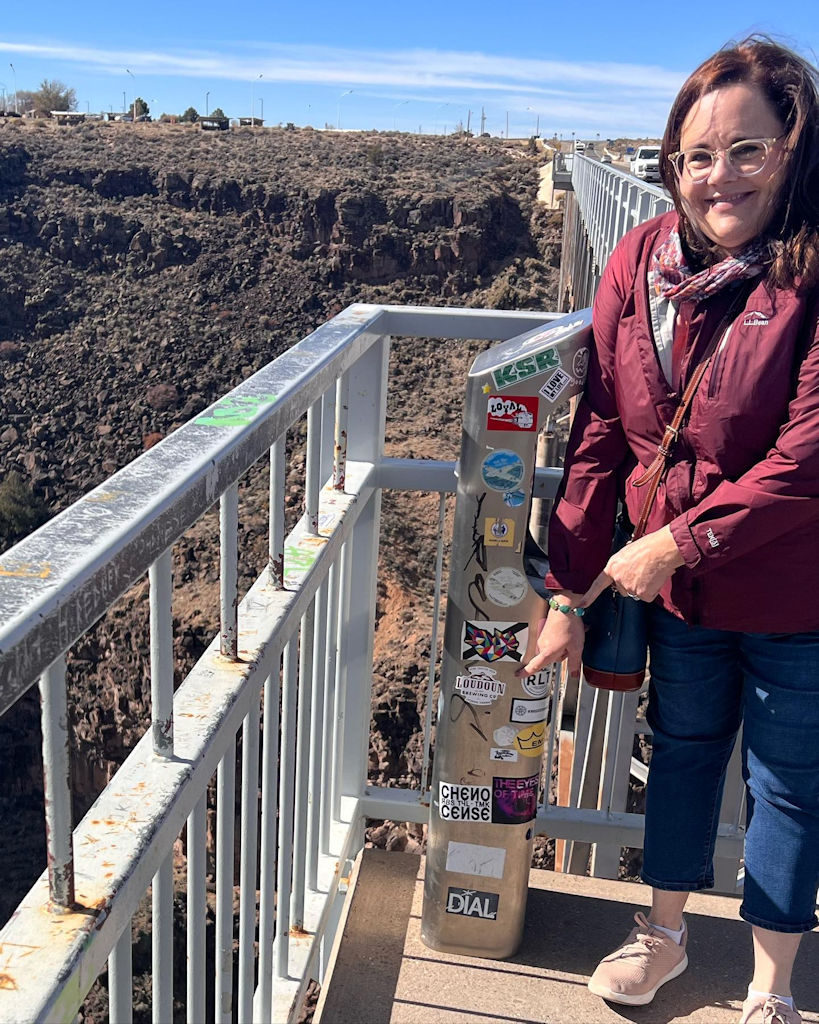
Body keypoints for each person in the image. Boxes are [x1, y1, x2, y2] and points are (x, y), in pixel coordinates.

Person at [519, 36, 819, 1024]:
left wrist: (676, 543)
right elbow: (601, 430)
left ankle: (771, 988)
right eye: (696, 156)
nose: (718, 176)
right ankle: (663, 936)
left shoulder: (813, 269)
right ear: (669, 165)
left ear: (796, 147)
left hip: (794, 594)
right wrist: (567, 591)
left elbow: (808, 456)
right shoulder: (639, 261)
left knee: (787, 784)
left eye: (748, 149)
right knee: (684, 752)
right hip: (683, 594)